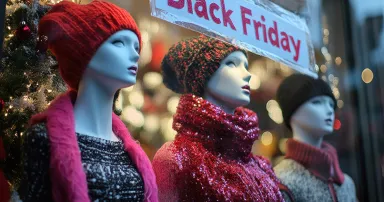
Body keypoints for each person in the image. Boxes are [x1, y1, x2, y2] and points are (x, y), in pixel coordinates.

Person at [17, 1, 158, 201]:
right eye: (119, 43)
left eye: (136, 47)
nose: (135, 54)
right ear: (84, 51)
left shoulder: (127, 148)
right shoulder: (44, 138)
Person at [152, 35, 284, 202]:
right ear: (202, 75)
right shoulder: (176, 158)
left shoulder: (258, 164)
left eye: (246, 66)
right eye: (231, 64)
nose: (247, 75)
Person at [274, 74, 358, 202]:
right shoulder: (281, 181)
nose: (330, 110)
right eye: (317, 102)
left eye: (331, 104)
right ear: (292, 112)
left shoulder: (346, 183)